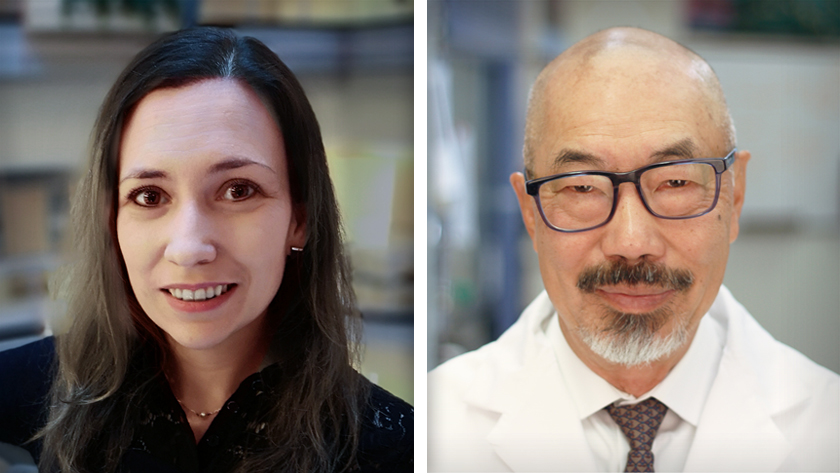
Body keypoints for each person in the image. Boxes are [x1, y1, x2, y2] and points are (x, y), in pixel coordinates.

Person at [0, 27, 413, 472]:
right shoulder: (25, 392)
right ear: (111, 222)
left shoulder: (397, 450)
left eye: (238, 190)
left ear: (300, 219)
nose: (189, 248)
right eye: (149, 196)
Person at [429, 27, 838, 472]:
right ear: (530, 212)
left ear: (734, 197)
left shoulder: (826, 425)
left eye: (675, 182)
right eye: (582, 187)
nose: (631, 243)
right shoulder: (431, 432)